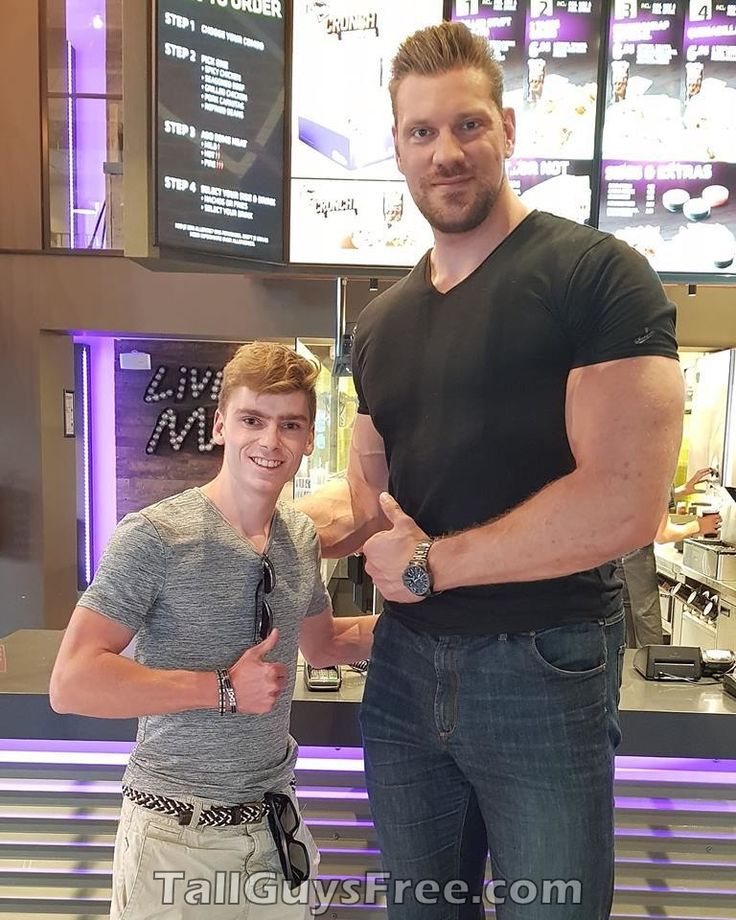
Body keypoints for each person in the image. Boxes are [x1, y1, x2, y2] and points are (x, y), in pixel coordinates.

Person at [298, 22, 684, 920]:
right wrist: (234, 521)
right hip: (401, 669)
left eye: (468, 126)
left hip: (543, 666)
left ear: (508, 129)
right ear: (395, 147)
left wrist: (435, 563)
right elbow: (373, 483)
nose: (447, 153)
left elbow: (628, 501)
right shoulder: (381, 322)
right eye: (422, 132)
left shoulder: (597, 276)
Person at [50, 342, 376, 920]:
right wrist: (222, 688)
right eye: (253, 420)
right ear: (221, 425)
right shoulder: (154, 536)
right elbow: (72, 682)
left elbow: (324, 645)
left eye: (290, 425)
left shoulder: (299, 537)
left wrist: (435, 601)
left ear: (306, 439)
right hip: (177, 837)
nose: (270, 442)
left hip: (276, 832)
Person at [617, 468, 721, 648]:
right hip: (635, 565)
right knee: (646, 637)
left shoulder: (632, 460)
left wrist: (682, 490)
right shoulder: (658, 465)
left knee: (624, 637)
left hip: (616, 558)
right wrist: (699, 525)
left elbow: (646, 499)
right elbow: (663, 534)